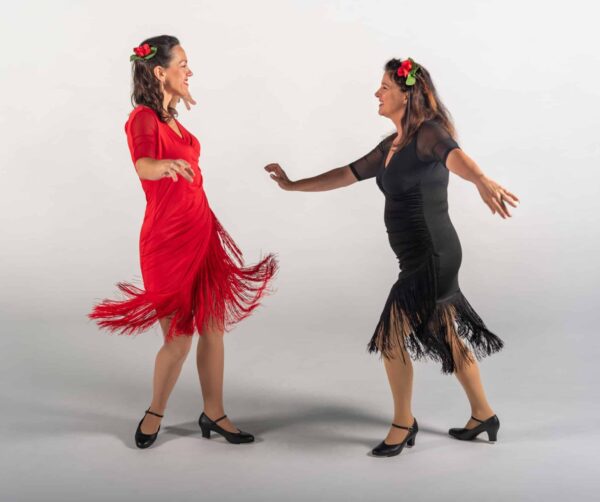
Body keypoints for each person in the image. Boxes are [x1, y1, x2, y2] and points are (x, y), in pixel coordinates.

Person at [265, 57, 519, 457]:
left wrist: (482, 179)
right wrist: (294, 185)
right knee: (445, 333)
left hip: (432, 255)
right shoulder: (392, 145)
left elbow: (455, 157)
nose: (377, 93)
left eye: (384, 87)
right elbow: (346, 173)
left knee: (391, 336)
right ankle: (483, 414)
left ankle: (403, 423)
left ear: (407, 93)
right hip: (420, 257)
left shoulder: (428, 134)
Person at [89, 35, 278, 449]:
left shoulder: (171, 118)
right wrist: (165, 165)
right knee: (178, 339)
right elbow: (143, 164)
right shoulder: (142, 118)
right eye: (183, 64)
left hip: (201, 233)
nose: (190, 71)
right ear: (160, 72)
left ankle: (214, 413)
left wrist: (176, 104)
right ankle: (155, 412)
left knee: (213, 328)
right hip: (167, 241)